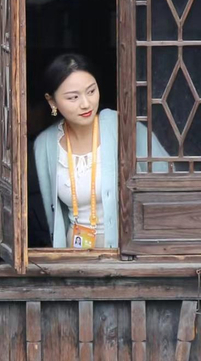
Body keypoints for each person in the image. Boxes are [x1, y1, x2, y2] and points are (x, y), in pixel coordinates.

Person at [32, 53, 168, 249]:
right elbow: (51, 213)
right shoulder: (45, 144)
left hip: (128, 250)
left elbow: (164, 181)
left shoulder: (123, 128)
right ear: (52, 101)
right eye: (73, 97)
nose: (86, 104)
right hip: (74, 252)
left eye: (91, 91)